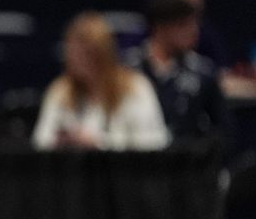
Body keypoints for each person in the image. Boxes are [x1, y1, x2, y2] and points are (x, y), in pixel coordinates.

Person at [31, 11, 169, 151]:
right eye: (74, 54)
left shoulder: (135, 87)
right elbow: (41, 141)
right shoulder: (61, 90)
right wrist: (62, 141)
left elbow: (154, 143)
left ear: (102, 54)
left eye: (86, 54)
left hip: (124, 170)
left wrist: (99, 143)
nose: (78, 61)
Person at [131, 0, 232, 146]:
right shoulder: (128, 71)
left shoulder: (204, 74)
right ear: (160, 27)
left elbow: (224, 132)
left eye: (195, 23)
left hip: (189, 166)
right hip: (137, 164)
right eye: (183, 25)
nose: (194, 31)